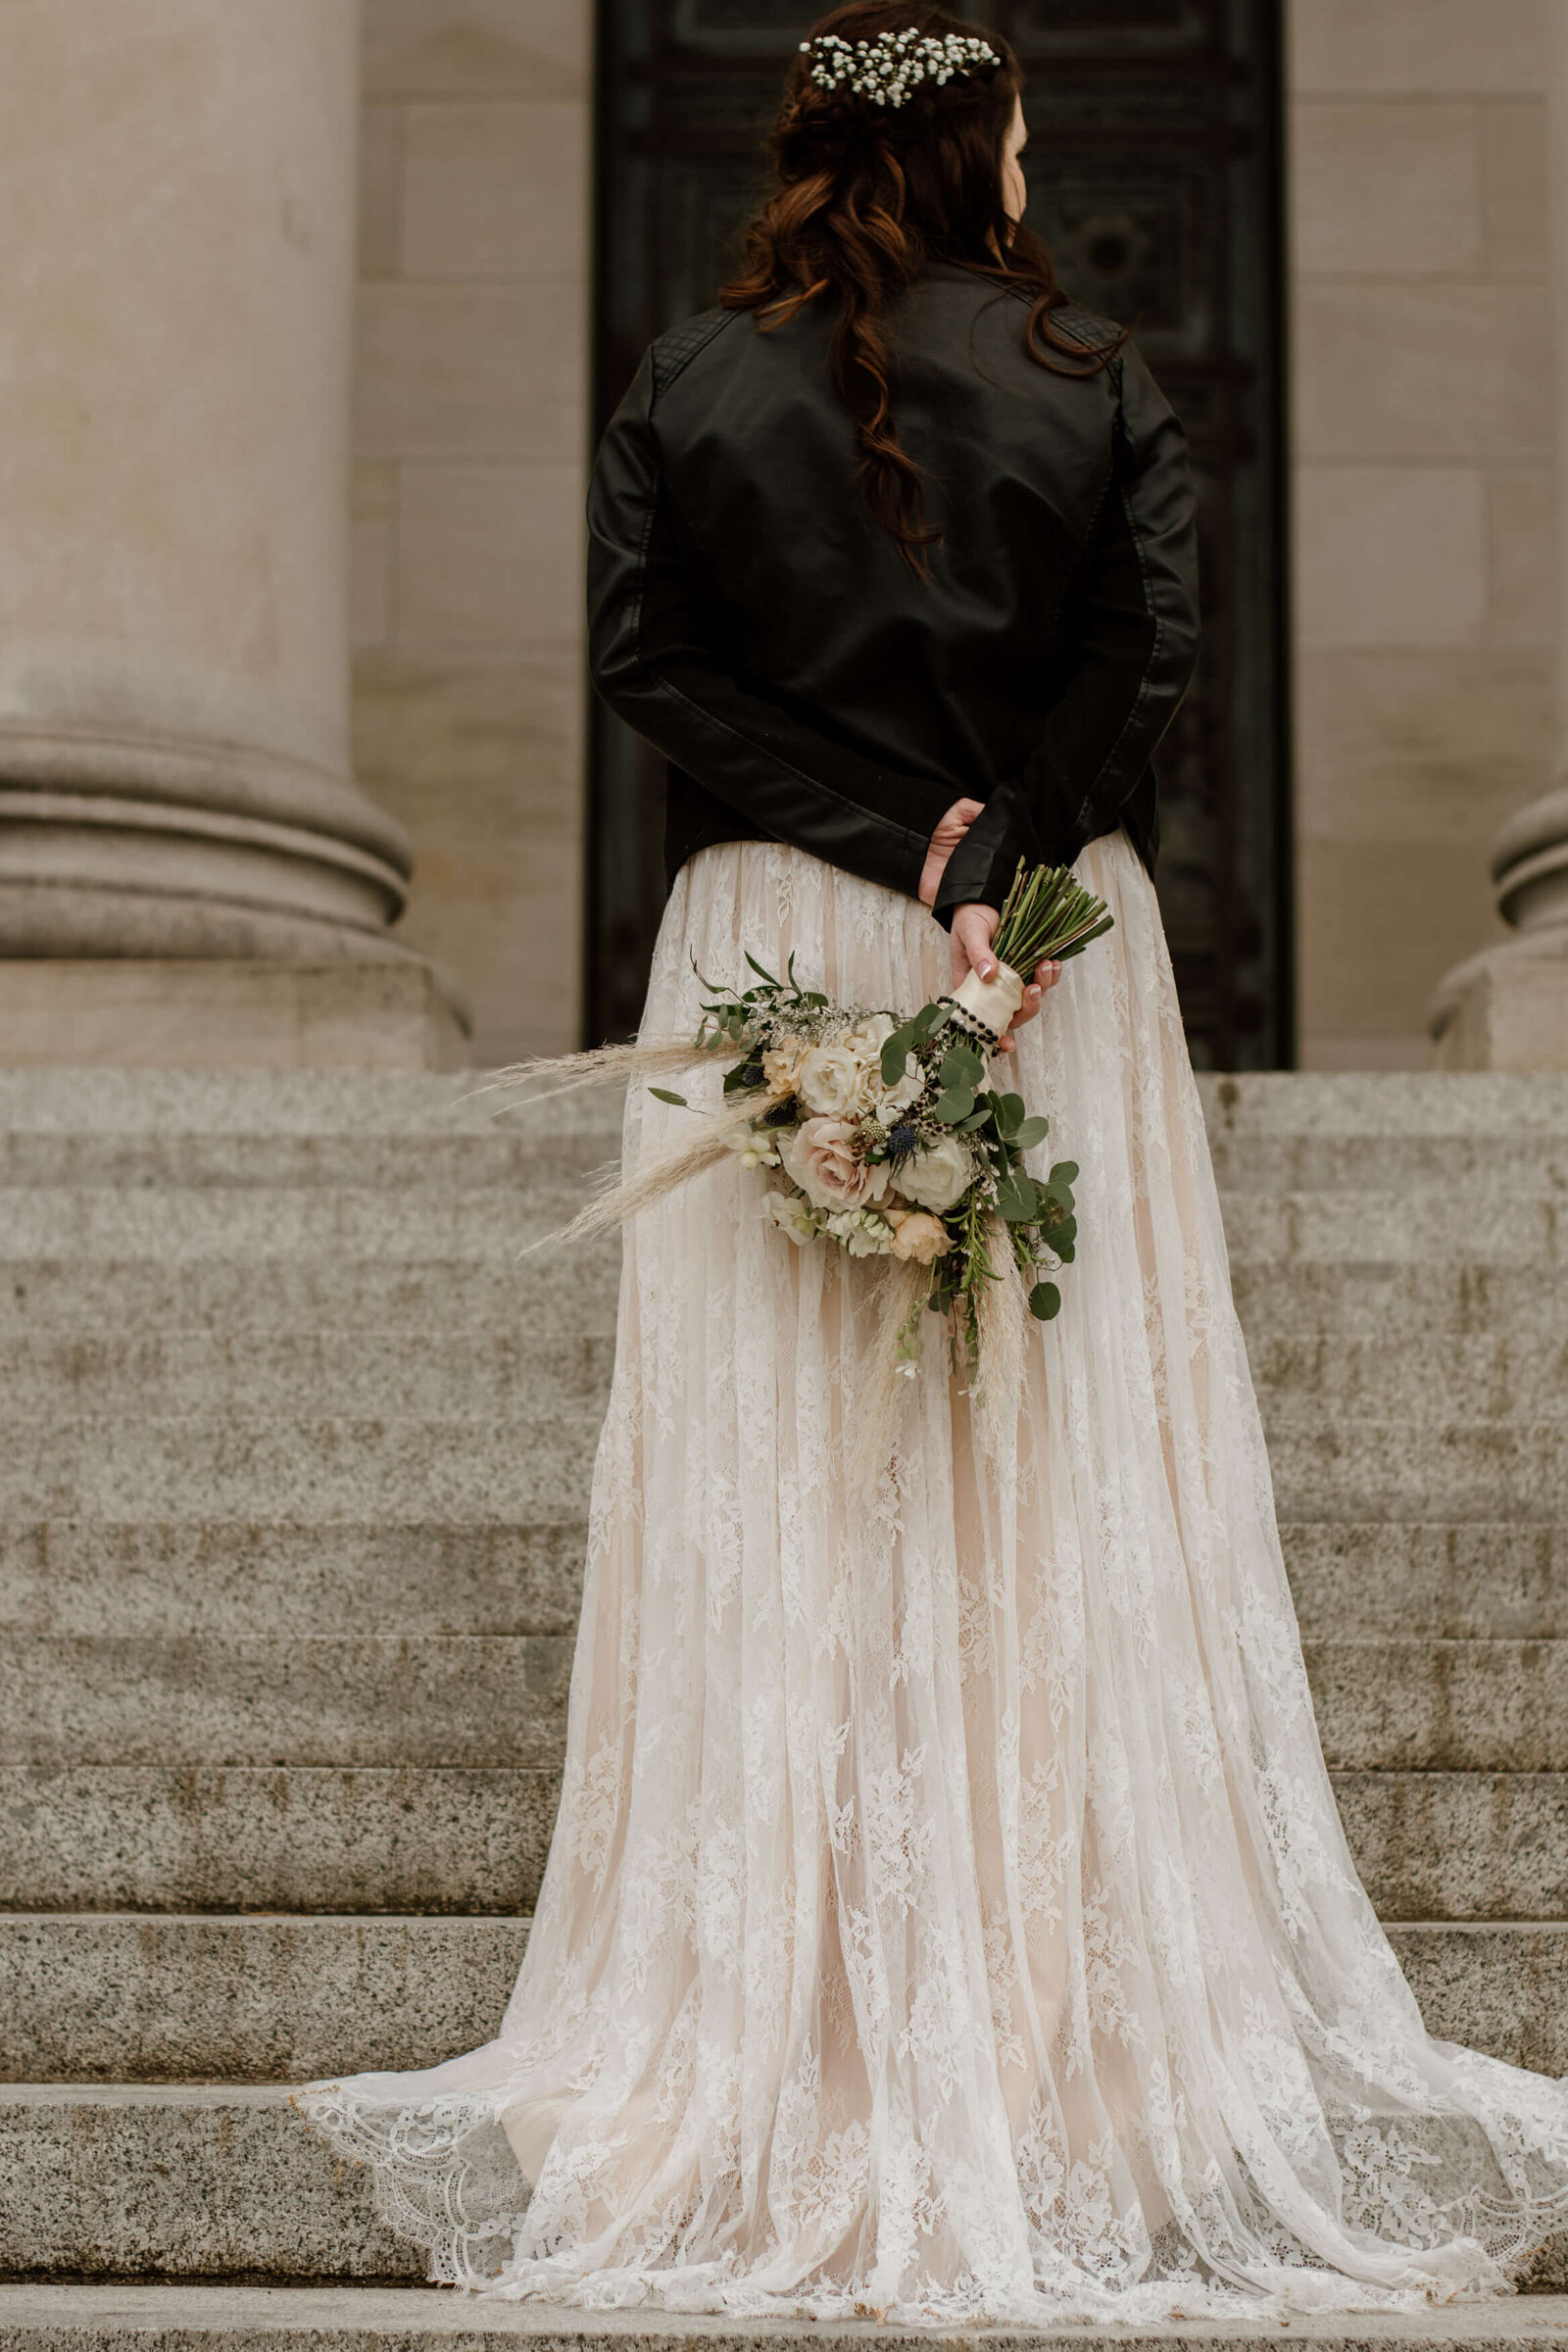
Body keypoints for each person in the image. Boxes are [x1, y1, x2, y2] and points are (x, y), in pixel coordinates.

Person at [297, 4, 1568, 2321]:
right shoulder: (1102, 375)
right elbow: (1149, 653)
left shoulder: (683, 377)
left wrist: (891, 842)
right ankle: (1064, 2043)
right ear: (984, 148)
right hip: (1053, 944)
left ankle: (794, 2028)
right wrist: (996, 850)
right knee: (1047, 1465)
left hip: (769, 926)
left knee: (779, 1477)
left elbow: (641, 664)